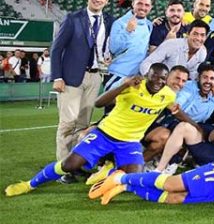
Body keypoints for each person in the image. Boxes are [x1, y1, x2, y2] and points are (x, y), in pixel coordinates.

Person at [5, 64, 192, 197]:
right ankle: (29, 185)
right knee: (69, 165)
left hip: (130, 142)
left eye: (162, 78)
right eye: (154, 76)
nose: (158, 81)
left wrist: (196, 127)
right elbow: (98, 103)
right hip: (105, 134)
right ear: (147, 75)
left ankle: (108, 173)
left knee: (133, 177)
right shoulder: (133, 86)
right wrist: (124, 85)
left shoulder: (168, 94)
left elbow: (176, 111)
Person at [50, 0, 115, 179]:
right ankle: (63, 168)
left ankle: (75, 163)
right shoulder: (73, 18)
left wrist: (107, 56)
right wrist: (57, 77)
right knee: (67, 123)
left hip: (95, 76)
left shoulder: (109, 21)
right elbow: (56, 48)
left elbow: (107, 46)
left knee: (83, 124)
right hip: (70, 78)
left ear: (107, 1)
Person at [106, 0, 154, 91]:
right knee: (112, 106)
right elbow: (114, 49)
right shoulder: (120, 23)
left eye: (147, 5)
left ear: (151, 8)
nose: (143, 7)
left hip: (136, 77)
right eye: (139, 4)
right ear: (133, 4)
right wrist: (127, 31)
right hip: (117, 74)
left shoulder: (149, 25)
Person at [139, 20, 209, 79]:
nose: (198, 38)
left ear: (206, 37)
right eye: (195, 34)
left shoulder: (202, 52)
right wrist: (155, 80)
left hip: (178, 86)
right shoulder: (171, 45)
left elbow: (192, 74)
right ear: (188, 34)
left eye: (202, 35)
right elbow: (146, 64)